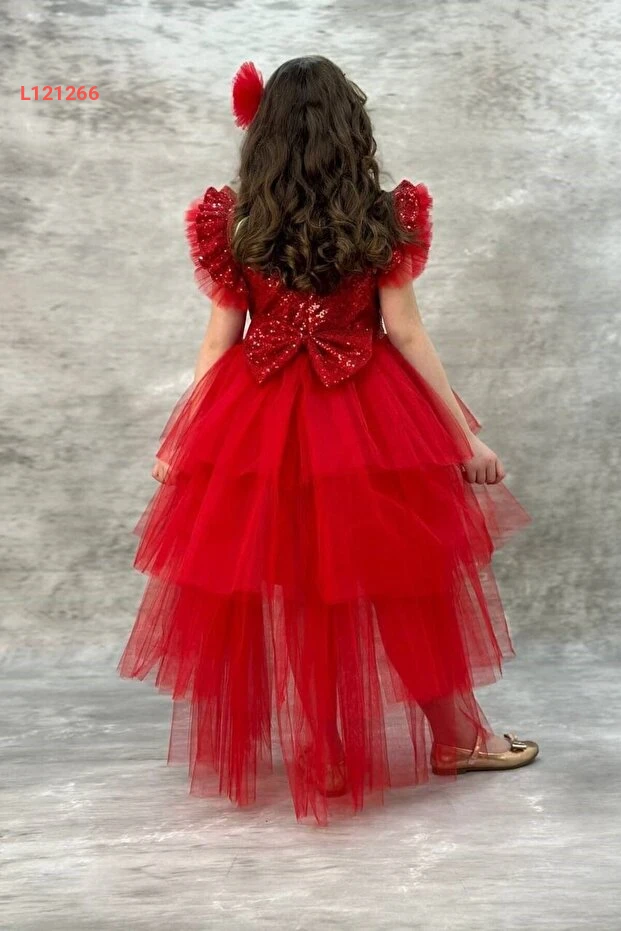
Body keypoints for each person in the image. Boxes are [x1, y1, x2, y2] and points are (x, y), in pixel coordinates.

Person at [118, 56, 538, 826]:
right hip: (368, 421)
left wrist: (187, 440)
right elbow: (405, 334)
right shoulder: (380, 217)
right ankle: (455, 737)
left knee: (296, 589)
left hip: (258, 425)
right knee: (404, 580)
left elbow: (219, 341)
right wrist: (461, 438)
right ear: (352, 130)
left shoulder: (240, 223)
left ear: (263, 134)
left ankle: (325, 754)